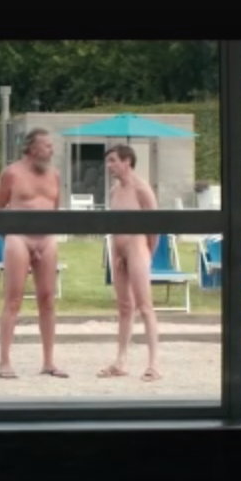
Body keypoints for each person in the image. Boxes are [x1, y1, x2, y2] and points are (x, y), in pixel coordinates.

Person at [0, 128, 66, 379]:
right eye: (47, 146)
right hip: (19, 237)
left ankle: (49, 361)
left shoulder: (55, 175)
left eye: (51, 146)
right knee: (13, 299)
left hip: (46, 238)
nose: (51, 150)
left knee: (48, 299)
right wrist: (11, 234)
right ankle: (4, 361)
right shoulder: (12, 173)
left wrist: (48, 237)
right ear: (32, 148)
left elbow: (56, 210)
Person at [97, 145, 161, 382]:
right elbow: (114, 224)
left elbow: (155, 226)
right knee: (124, 306)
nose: (109, 166)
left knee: (145, 306)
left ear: (127, 162)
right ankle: (120, 361)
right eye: (108, 161)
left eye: (113, 160)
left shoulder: (142, 189)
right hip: (119, 249)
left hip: (137, 248)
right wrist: (116, 253)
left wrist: (148, 253)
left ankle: (154, 364)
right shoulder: (115, 190)